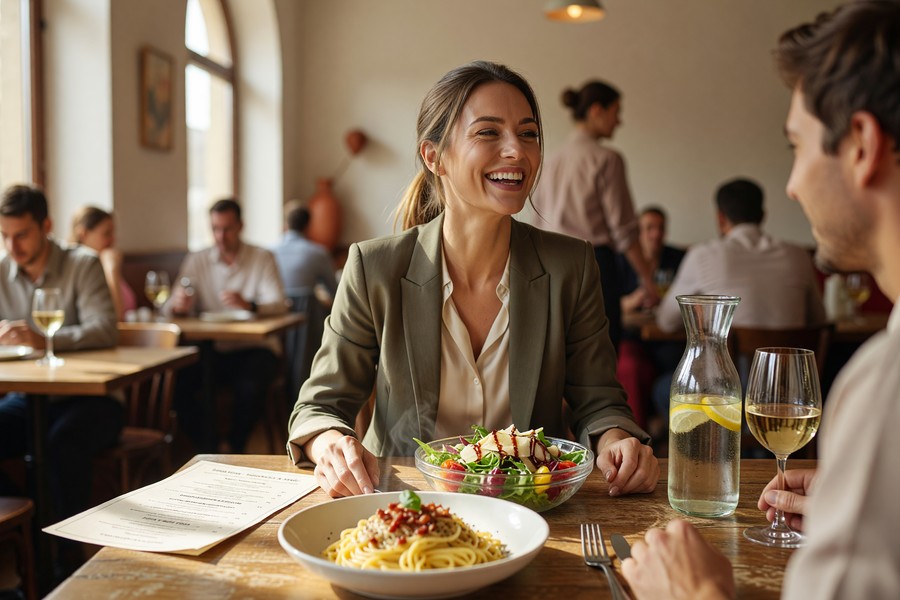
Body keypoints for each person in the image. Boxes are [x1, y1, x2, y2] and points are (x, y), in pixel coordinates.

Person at [622, 3, 900, 598]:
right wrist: (864, 496)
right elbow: (821, 319)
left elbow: (670, 320)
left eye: (796, 146)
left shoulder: (886, 391)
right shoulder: (813, 277)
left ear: (861, 146)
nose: (794, 182)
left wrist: (696, 594)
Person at [287, 60, 659, 499]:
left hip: (530, 508)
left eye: (528, 134)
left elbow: (598, 398)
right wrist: (331, 445)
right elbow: (319, 405)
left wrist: (617, 441)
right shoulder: (375, 267)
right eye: (488, 132)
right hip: (401, 503)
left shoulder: (571, 265)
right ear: (434, 156)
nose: (516, 152)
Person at [0, 185, 121, 576]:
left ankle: (67, 564)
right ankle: (29, 533)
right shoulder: (1, 271)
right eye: (4, 236)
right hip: (27, 397)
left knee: (60, 445)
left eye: (21, 235)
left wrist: (46, 338)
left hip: (91, 400)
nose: (12, 246)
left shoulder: (82, 264)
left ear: (46, 226)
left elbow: (105, 329)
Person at [533, 79, 658, 349]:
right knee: (600, 353)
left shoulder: (551, 160)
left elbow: (537, 218)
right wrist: (647, 278)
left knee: (557, 352)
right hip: (593, 265)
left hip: (550, 265)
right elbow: (623, 229)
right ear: (596, 110)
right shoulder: (606, 158)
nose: (619, 121)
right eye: (616, 112)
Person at [166, 198, 287, 453]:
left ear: (240, 226)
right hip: (212, 347)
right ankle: (209, 448)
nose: (220, 236)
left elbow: (278, 303)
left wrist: (250, 304)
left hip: (255, 347)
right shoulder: (197, 260)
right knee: (179, 383)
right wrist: (179, 305)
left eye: (227, 229)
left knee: (251, 386)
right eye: (215, 229)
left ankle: (235, 445)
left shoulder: (261, 257)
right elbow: (171, 304)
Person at [656, 178, 826, 333]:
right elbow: (819, 319)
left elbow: (666, 322)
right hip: (788, 366)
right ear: (763, 215)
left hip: (726, 367)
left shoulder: (702, 255)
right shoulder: (798, 256)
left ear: (720, 218)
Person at [615, 206, 686, 431]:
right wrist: (634, 300)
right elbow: (607, 305)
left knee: (680, 367)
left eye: (661, 228)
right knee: (630, 366)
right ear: (638, 231)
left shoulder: (678, 258)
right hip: (632, 336)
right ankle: (635, 434)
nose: (656, 234)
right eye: (649, 228)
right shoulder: (621, 260)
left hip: (669, 336)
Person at [70, 205, 138, 320]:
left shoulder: (107, 261)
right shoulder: (80, 272)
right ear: (83, 234)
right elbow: (115, 319)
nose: (113, 239)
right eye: (107, 233)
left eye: (113, 233)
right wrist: (112, 271)